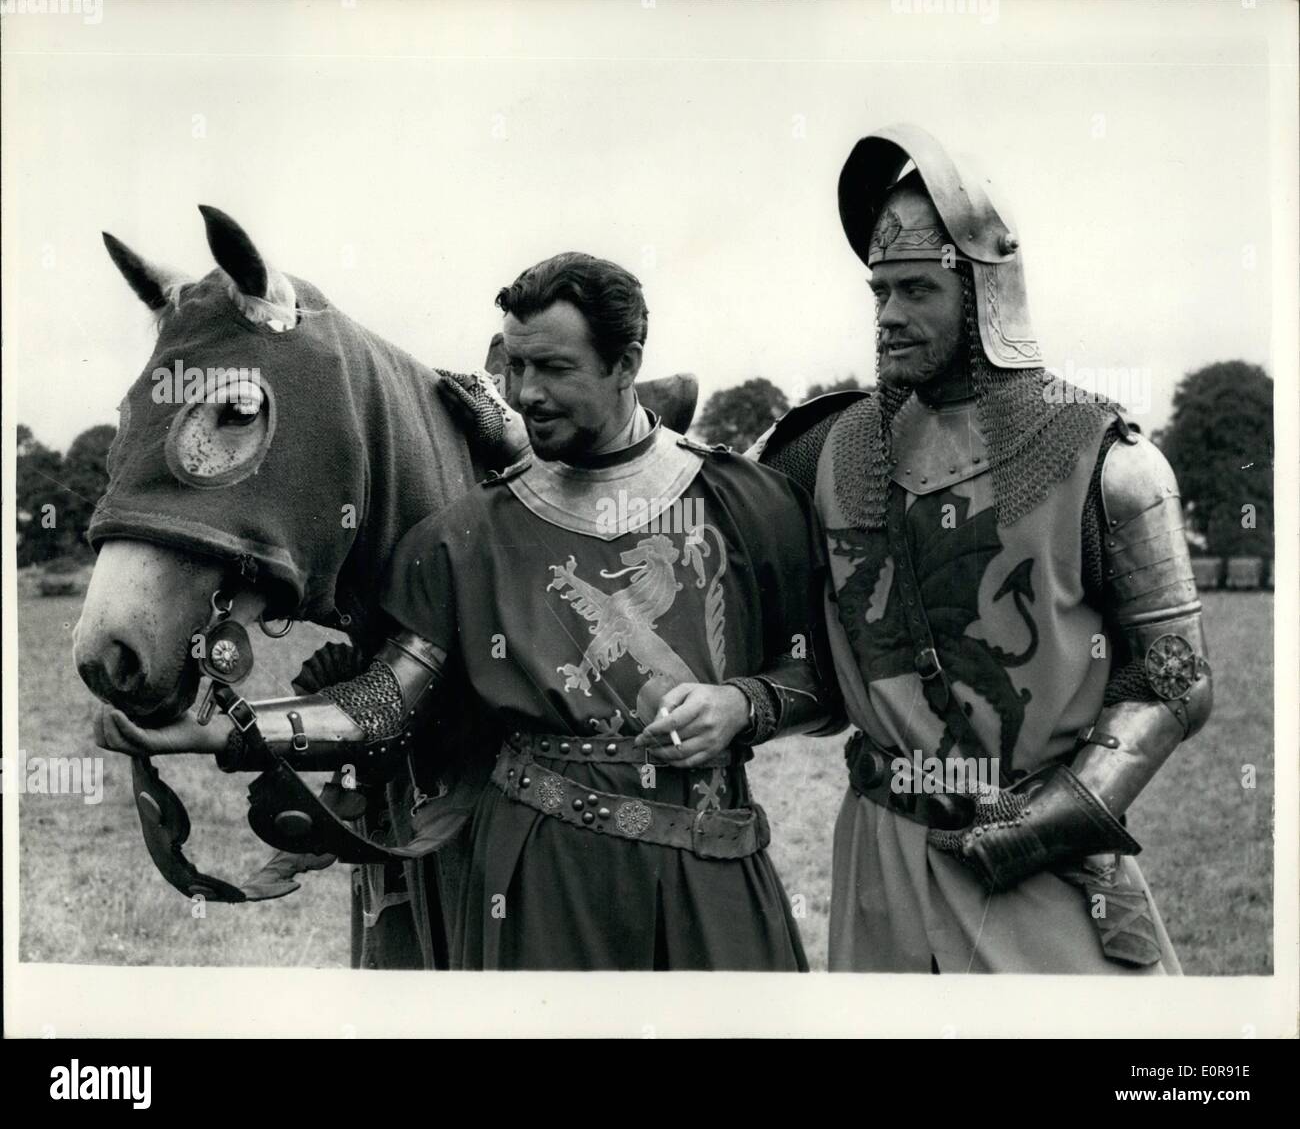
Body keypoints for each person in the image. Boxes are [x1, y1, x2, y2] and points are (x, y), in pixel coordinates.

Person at [98, 251, 840, 971]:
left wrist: (742, 705)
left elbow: (820, 683)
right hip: (540, 880)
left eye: (554, 369)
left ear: (627, 363)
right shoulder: (462, 537)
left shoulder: (748, 502)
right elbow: (385, 703)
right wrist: (221, 729)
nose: (525, 394)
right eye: (515, 367)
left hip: (714, 869)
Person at [752, 124, 1212, 973]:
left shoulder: (1106, 460)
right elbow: (701, 524)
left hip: (1037, 854)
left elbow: (1177, 676)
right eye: (879, 292)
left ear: (987, 291)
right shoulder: (829, 451)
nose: (889, 318)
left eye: (917, 290)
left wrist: (1064, 813)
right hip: (882, 854)